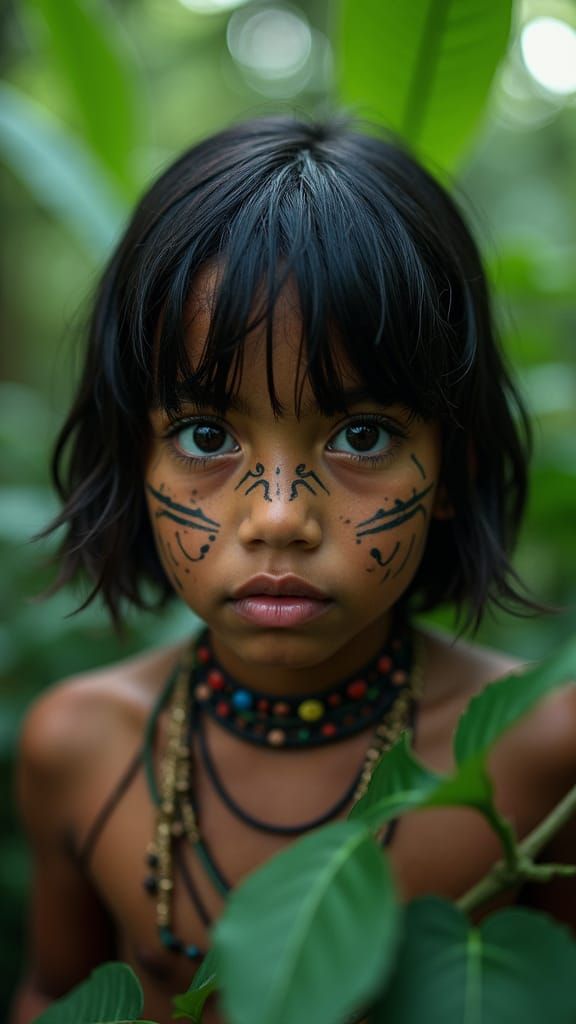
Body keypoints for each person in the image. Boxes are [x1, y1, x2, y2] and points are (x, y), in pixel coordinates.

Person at [9, 115, 576, 1024]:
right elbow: (53, 993)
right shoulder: (78, 748)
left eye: (363, 435)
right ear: (134, 461)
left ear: (453, 468)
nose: (278, 516)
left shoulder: (547, 756)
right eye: (205, 435)